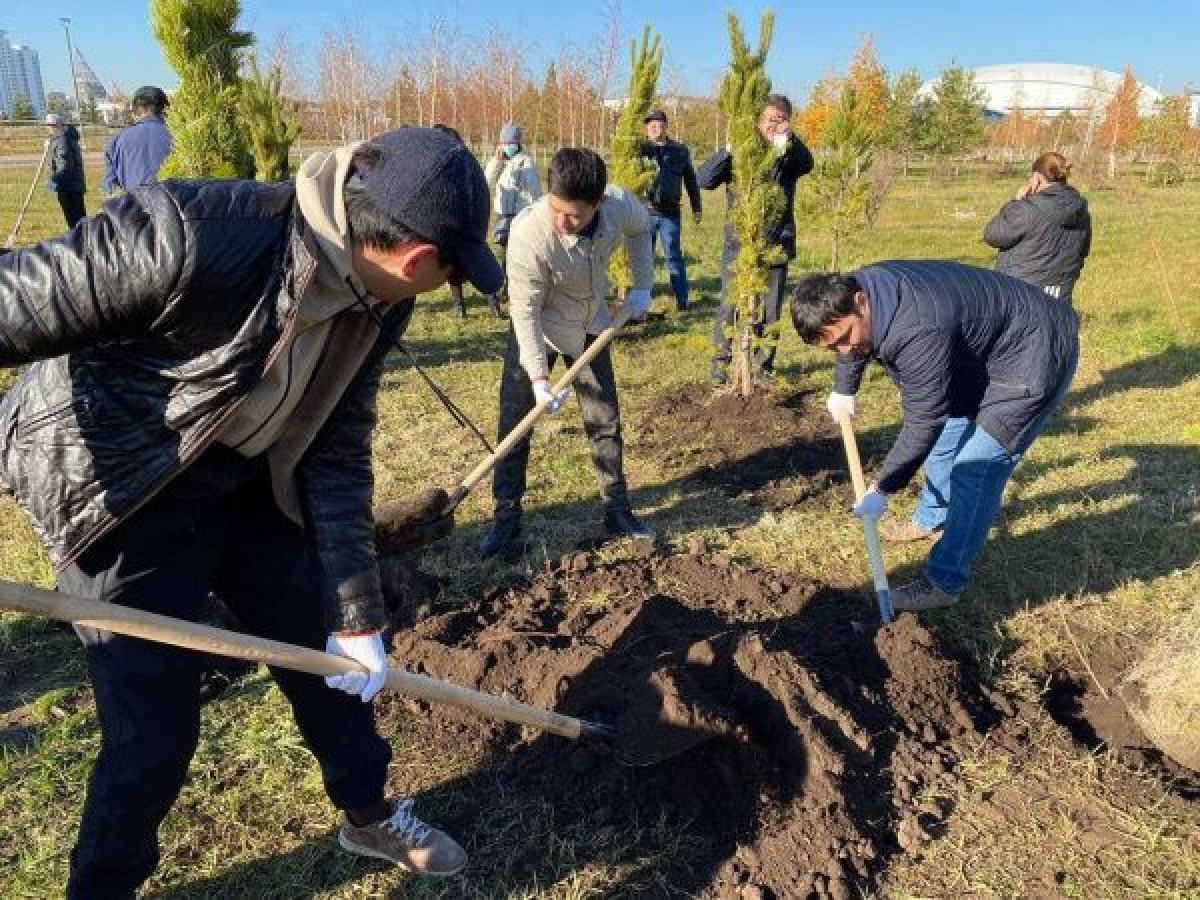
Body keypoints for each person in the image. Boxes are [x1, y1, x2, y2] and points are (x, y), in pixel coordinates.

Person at [0, 126, 504, 898]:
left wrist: (357, 612)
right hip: (123, 492)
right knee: (153, 733)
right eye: (455, 273)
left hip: (243, 479)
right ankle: (100, 889)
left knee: (329, 659)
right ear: (418, 259)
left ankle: (367, 813)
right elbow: (14, 299)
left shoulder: (379, 301)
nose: (451, 288)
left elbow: (335, 449)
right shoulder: (192, 235)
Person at [792, 260, 1079, 611]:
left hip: (1036, 352)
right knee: (943, 444)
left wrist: (883, 487)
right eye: (831, 348)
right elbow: (847, 343)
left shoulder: (917, 328)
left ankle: (943, 582)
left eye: (846, 338)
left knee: (975, 469)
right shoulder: (858, 295)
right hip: (982, 350)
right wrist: (844, 388)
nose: (845, 351)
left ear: (861, 301)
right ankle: (932, 518)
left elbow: (925, 420)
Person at [479, 147, 655, 559]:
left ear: (598, 204)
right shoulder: (528, 234)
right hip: (538, 331)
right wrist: (539, 379)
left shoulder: (618, 205)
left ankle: (616, 509)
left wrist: (643, 283)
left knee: (604, 421)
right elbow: (523, 311)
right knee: (516, 425)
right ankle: (506, 520)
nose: (563, 222)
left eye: (574, 215)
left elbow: (642, 229)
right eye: (557, 210)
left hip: (592, 325)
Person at [701, 93, 814, 385]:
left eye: (780, 119)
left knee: (771, 310)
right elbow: (704, 179)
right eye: (768, 119)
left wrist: (789, 141)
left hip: (776, 243)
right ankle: (720, 363)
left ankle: (763, 367)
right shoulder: (742, 153)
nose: (773, 125)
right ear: (757, 122)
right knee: (729, 306)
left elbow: (807, 164)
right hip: (739, 244)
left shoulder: (788, 155)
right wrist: (729, 149)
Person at [983, 150, 1091, 302]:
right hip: (1059, 293)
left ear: (1037, 177)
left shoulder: (1027, 209)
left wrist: (1015, 202)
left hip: (1019, 294)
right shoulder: (1080, 210)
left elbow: (992, 235)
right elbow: (1082, 251)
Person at [640, 109, 702, 312]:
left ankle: (682, 301)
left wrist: (697, 207)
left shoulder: (680, 151)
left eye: (659, 125)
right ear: (646, 129)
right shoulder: (640, 150)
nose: (655, 129)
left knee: (673, 256)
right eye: (651, 126)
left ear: (666, 126)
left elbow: (691, 180)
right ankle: (642, 302)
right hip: (645, 213)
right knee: (644, 257)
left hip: (670, 214)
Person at [483, 122, 542, 318]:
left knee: (515, 255)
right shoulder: (498, 162)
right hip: (502, 216)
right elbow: (486, 182)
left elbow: (534, 192)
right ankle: (504, 287)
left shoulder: (527, 162)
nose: (506, 146)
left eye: (509, 142)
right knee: (504, 253)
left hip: (520, 215)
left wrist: (533, 215)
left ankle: (511, 290)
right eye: (503, 142)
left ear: (517, 143)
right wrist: (496, 162)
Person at [102, 85, 173, 195]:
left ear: (135, 110)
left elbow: (110, 188)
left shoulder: (117, 140)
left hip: (132, 207)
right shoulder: (179, 137)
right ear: (165, 109)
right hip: (173, 207)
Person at [45, 113, 86, 228]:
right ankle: (83, 242)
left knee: (75, 222)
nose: (48, 129)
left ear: (56, 126)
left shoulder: (62, 140)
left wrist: (54, 181)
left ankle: (80, 243)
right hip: (72, 186)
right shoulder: (63, 138)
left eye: (49, 126)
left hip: (69, 188)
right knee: (79, 221)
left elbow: (65, 166)